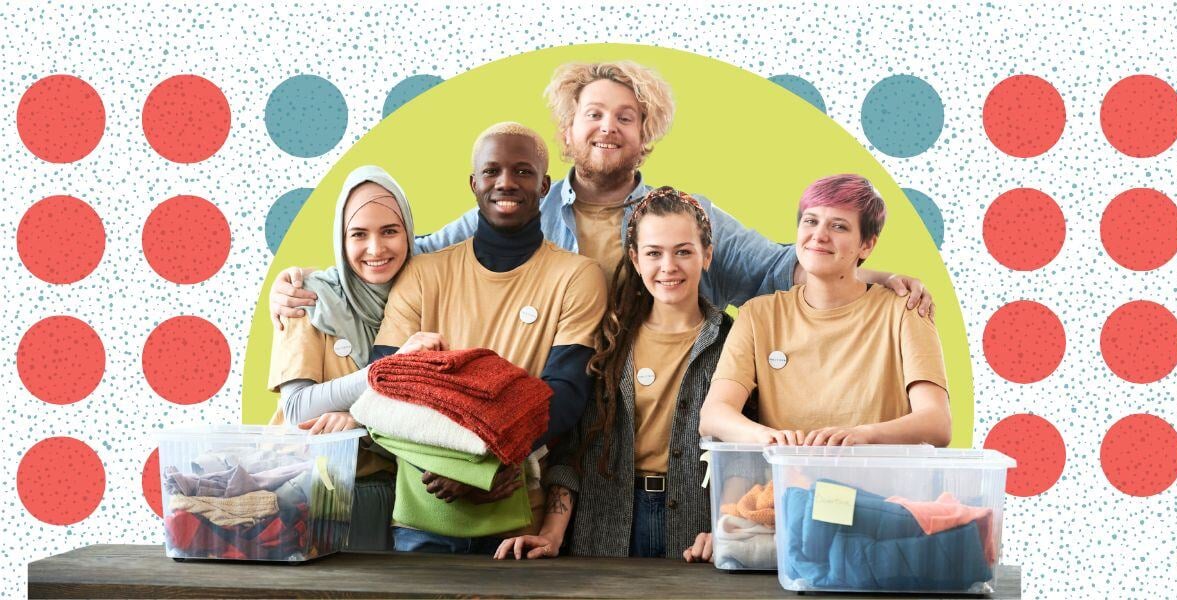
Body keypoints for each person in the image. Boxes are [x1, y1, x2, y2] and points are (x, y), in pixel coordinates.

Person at [267, 61, 934, 325]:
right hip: (547, 405)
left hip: (657, 407)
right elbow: (404, 256)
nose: (607, 126)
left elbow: (774, 270)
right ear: (567, 129)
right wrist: (309, 285)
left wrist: (868, 275)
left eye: (625, 115)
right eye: (593, 113)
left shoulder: (687, 217)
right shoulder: (518, 212)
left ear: (648, 135)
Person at [370, 122, 607, 554]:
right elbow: (384, 388)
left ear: (545, 185)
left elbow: (566, 394)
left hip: (519, 521)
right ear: (474, 182)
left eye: (522, 171)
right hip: (425, 514)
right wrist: (464, 467)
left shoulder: (577, 276)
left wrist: (485, 467)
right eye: (493, 170)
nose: (506, 183)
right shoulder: (423, 275)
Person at [493, 187, 732, 562]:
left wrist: (728, 527)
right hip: (605, 522)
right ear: (636, 259)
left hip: (697, 529)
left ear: (707, 256)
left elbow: (744, 457)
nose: (668, 266)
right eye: (654, 253)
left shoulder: (732, 341)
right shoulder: (608, 341)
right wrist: (552, 534)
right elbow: (573, 450)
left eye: (683, 251)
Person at [698, 174, 952, 448]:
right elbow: (713, 415)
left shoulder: (905, 310)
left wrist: (864, 436)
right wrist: (765, 437)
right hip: (790, 484)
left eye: (839, 226)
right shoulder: (758, 315)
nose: (819, 235)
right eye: (810, 221)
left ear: (867, 244)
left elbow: (937, 423)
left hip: (881, 487)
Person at [266, 165, 416, 550]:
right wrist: (387, 373)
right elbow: (298, 410)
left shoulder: (422, 297)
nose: (376, 249)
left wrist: (358, 420)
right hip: (308, 493)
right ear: (340, 238)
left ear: (409, 233)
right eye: (358, 234)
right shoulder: (309, 299)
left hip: (400, 499)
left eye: (390, 231)